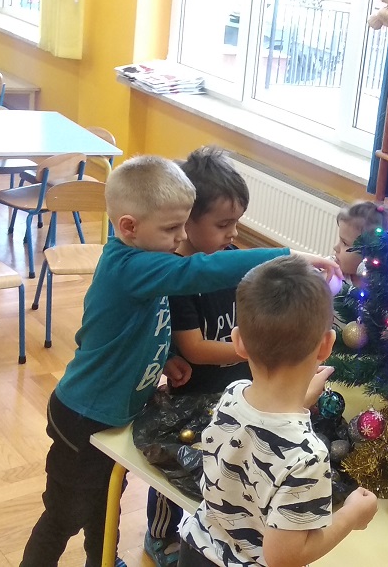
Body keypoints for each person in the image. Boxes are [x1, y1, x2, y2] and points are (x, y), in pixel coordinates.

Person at [20, 155, 340, 567]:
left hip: (110, 415)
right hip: (82, 418)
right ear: (129, 227)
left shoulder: (143, 263)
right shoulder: (128, 266)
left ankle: (101, 561)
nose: (181, 237)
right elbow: (197, 272)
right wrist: (287, 256)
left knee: (104, 503)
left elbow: (138, 327)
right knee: (63, 517)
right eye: (172, 228)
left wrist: (166, 357)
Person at [178, 255, 379, 567]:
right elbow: (284, 557)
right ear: (326, 346)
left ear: (238, 342)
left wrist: (299, 402)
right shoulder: (307, 456)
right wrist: (350, 516)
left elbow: (258, 432)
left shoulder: (232, 394)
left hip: (195, 550)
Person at [144, 146, 254, 567]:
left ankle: (207, 529)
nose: (233, 234)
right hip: (190, 399)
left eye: (236, 223)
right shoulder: (177, 275)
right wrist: (252, 349)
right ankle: (160, 535)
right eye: (223, 224)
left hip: (233, 391)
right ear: (187, 221)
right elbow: (194, 348)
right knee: (175, 469)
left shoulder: (231, 260)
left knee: (221, 467)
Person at [331, 201, 388, 289]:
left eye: (345, 243)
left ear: (370, 254)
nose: (335, 248)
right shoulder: (330, 270)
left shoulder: (380, 290)